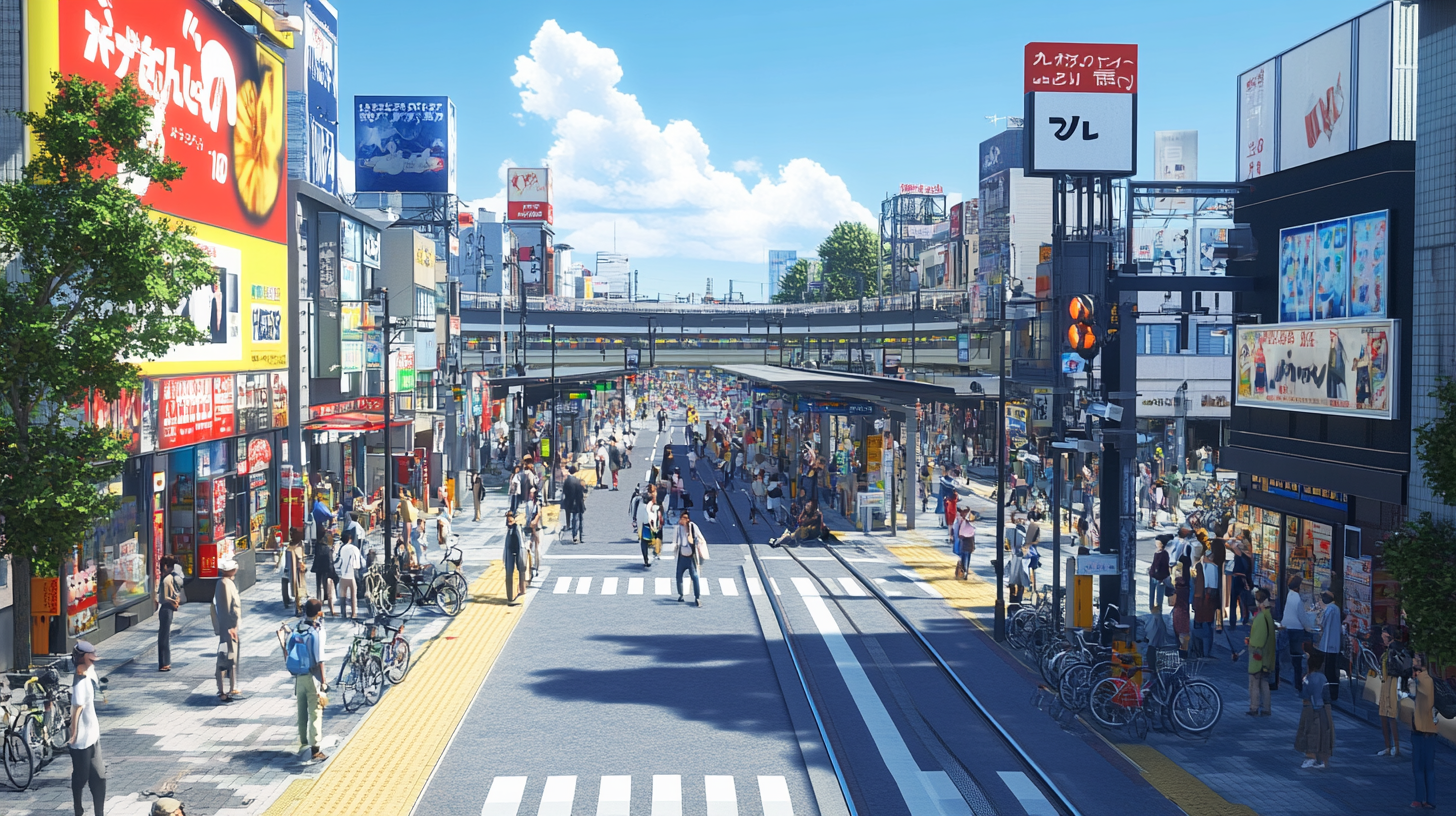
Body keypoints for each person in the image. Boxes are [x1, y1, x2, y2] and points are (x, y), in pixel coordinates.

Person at [282, 598, 329, 762]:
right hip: (312, 676)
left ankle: (303, 743)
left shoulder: (298, 627)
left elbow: (288, 648)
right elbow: (319, 659)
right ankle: (315, 749)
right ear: (318, 613)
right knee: (315, 712)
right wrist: (323, 682)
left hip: (298, 675)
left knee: (301, 711)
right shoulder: (316, 631)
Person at [68, 640, 106, 816]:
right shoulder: (79, 680)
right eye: (90, 657)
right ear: (81, 658)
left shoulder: (89, 670)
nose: (93, 661)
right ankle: (78, 807)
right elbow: (77, 708)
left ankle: (100, 813)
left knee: (99, 776)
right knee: (82, 776)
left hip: (93, 732)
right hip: (81, 737)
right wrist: (73, 732)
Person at [1295, 648, 1335, 769]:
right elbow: (1327, 695)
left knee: (1310, 732)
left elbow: (1304, 695)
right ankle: (1324, 760)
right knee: (1325, 733)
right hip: (1324, 707)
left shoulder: (1308, 678)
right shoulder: (1323, 678)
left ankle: (1310, 756)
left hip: (1310, 708)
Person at [211, 558, 243, 703]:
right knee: (226, 657)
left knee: (229, 656)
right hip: (229, 628)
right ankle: (223, 689)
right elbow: (232, 607)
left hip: (226, 627)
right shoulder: (226, 584)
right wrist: (233, 626)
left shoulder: (222, 583)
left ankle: (230, 687)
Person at [1410, 653, 1438, 808]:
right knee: (1429, 768)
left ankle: (1419, 799)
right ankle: (1430, 800)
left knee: (1419, 767)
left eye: (1414, 661)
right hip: (1430, 730)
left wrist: (1412, 683)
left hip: (1422, 729)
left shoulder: (1421, 681)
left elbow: (1416, 697)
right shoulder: (1429, 680)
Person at [1281, 575, 1316, 692]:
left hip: (1287, 627)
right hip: (1296, 629)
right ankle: (1298, 683)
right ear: (1298, 586)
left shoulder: (1289, 595)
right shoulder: (1297, 599)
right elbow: (1302, 617)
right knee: (1297, 658)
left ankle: (1295, 681)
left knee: (1291, 655)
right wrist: (1309, 628)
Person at [1376, 626, 1404, 757]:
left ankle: (1394, 747)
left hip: (1392, 682)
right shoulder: (1389, 649)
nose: (1383, 639)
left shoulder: (1395, 648)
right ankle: (1389, 746)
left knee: (1390, 714)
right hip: (1386, 681)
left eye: (1384, 636)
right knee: (1384, 713)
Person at [672, 510, 710, 607]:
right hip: (682, 557)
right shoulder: (678, 528)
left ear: (688, 519)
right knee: (678, 576)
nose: (683, 520)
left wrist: (694, 541)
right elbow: (675, 541)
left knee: (695, 577)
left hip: (691, 557)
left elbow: (701, 539)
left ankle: (697, 597)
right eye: (682, 518)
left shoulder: (693, 527)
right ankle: (681, 594)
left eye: (685, 518)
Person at [1247, 588, 1275, 716]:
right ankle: (1266, 708)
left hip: (1258, 656)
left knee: (1254, 683)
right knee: (1264, 683)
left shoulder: (1260, 618)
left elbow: (1257, 640)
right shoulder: (1268, 616)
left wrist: (1250, 643)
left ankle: (1254, 707)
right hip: (1267, 655)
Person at [1315, 590, 1342, 701]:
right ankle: (1332, 693)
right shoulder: (1335, 609)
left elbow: (1322, 623)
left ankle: (1331, 693)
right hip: (1333, 643)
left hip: (1328, 643)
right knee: (1331, 669)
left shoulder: (1330, 609)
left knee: (1329, 670)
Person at [156, 555, 182, 672]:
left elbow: (165, 597)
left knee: (163, 636)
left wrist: (173, 602)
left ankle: (164, 663)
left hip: (165, 609)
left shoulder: (166, 579)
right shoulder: (172, 577)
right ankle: (165, 662)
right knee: (164, 635)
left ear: (166, 566)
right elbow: (175, 593)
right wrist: (176, 601)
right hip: (169, 609)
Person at [1192, 552, 1219, 658]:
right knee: (1206, 627)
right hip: (1205, 601)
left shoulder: (1201, 566)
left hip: (1201, 601)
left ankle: (1201, 650)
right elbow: (1212, 587)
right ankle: (1205, 651)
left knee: (1202, 626)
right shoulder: (1210, 567)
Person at [1228, 535, 1255, 626]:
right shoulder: (1250, 556)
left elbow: (1232, 545)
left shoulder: (1242, 554)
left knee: (1234, 601)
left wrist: (1234, 540)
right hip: (1244, 579)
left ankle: (1233, 621)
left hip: (1238, 578)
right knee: (1244, 601)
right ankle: (1245, 619)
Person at [312, 531, 339, 617]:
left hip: (318, 568)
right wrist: (333, 573)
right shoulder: (328, 549)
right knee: (327, 587)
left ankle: (319, 602)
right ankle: (328, 604)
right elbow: (330, 561)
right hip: (326, 569)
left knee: (318, 586)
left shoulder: (317, 546)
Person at [336, 532, 363, 619]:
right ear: (350, 539)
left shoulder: (341, 548)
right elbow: (358, 565)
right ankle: (353, 613)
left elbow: (337, 562)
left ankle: (343, 613)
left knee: (342, 595)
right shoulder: (354, 548)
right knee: (353, 595)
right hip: (352, 575)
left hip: (343, 575)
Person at [503, 511, 528, 604]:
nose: (509, 521)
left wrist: (516, 521)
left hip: (520, 549)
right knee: (509, 572)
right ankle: (509, 596)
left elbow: (523, 518)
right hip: (509, 550)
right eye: (507, 520)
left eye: (510, 519)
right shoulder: (508, 530)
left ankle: (522, 591)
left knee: (522, 569)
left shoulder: (519, 526)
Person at [282, 530, 307, 616]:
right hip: (297, 573)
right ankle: (298, 609)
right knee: (298, 590)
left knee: (295, 590)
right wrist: (303, 568)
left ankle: (294, 605)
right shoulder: (298, 548)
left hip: (289, 571)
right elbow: (300, 561)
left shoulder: (289, 547)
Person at [636, 484, 662, 566]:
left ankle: (646, 558)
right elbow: (651, 517)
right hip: (649, 526)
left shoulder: (640, 505)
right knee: (653, 539)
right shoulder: (650, 506)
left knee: (644, 542)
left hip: (642, 526)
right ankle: (654, 553)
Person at [951, 505, 976, 580]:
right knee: (964, 556)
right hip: (963, 541)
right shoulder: (960, 520)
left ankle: (964, 571)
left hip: (966, 541)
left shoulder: (967, 522)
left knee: (965, 556)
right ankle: (963, 571)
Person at [1171, 563, 1191, 657]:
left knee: (1178, 633)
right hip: (1185, 612)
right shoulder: (1187, 590)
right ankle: (1185, 651)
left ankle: (1180, 652)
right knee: (1185, 634)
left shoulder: (1176, 591)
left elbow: (1172, 603)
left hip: (1178, 613)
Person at [562, 465, 586, 544]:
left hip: (569, 502)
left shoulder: (567, 481)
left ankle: (573, 533)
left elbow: (564, 491)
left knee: (574, 519)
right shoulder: (578, 481)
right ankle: (580, 536)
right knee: (579, 519)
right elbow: (582, 492)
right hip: (578, 502)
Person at [1148, 537, 1171, 613]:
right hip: (1153, 576)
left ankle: (1158, 611)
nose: (1156, 543)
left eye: (1157, 542)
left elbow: (1164, 566)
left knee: (1159, 597)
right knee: (1151, 594)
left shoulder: (1164, 554)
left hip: (1160, 578)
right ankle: (1152, 609)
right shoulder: (1157, 552)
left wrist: (1162, 577)